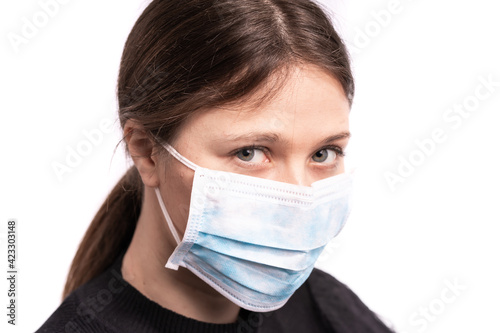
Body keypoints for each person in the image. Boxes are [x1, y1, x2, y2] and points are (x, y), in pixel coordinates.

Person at [37, 0, 394, 332]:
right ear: (146, 152)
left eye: (323, 153)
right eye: (250, 153)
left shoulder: (330, 309)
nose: (299, 200)